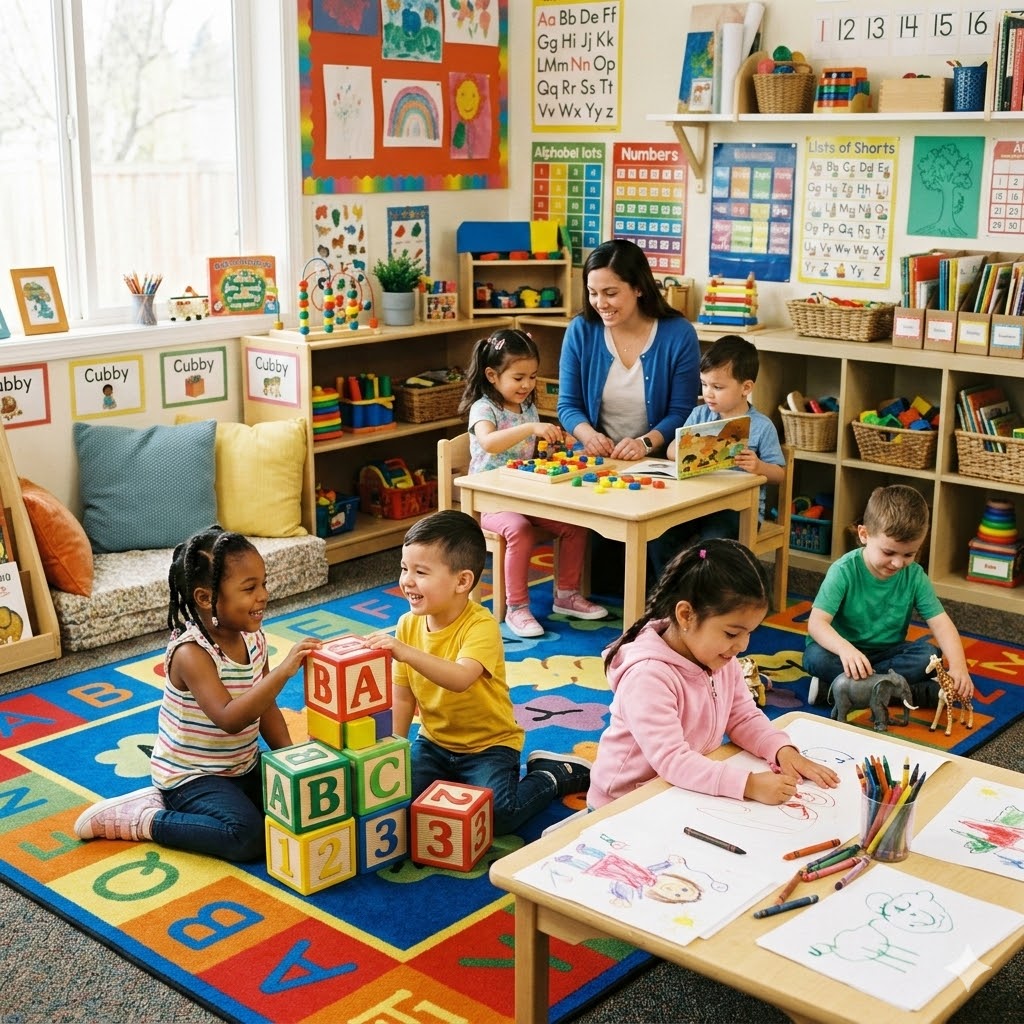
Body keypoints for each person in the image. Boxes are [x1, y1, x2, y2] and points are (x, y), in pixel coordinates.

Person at [74, 525, 321, 861]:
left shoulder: (255, 638)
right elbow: (229, 719)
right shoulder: (191, 653)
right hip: (191, 775)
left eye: (263, 583)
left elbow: (266, 709)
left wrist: (293, 763)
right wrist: (283, 672)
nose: (262, 595)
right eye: (249, 588)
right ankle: (148, 818)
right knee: (249, 839)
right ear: (205, 598)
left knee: (308, 804)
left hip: (241, 766)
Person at [361, 509, 591, 835]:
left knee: (497, 816)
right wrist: (397, 748)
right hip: (434, 744)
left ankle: (553, 774)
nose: (407, 581)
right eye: (404, 568)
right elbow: (403, 693)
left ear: (463, 581)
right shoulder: (407, 624)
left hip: (489, 747)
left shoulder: (480, 625)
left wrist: (405, 652)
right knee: (396, 804)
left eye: (421, 572)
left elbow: (459, 678)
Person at [588, 539, 840, 811]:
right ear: (686, 615)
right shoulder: (648, 676)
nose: (743, 645)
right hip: (623, 804)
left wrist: (781, 750)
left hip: (676, 790)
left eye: (749, 633)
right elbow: (673, 760)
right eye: (732, 633)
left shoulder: (719, 657)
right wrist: (749, 785)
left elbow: (742, 716)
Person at [460, 327, 607, 637]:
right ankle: (517, 607)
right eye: (518, 378)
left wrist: (552, 444)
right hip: (491, 500)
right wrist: (531, 430)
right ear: (491, 375)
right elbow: (489, 443)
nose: (527, 384)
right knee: (519, 530)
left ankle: (566, 595)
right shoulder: (484, 408)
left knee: (575, 525)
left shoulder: (526, 406)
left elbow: (529, 452)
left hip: (527, 494)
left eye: (532, 376)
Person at [805, 484, 973, 711]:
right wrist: (846, 649)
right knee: (815, 657)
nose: (897, 563)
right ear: (864, 534)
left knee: (929, 655)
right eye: (888, 552)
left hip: (888, 655)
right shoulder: (844, 570)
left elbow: (941, 624)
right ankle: (910, 692)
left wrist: (959, 666)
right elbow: (816, 624)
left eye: (909, 554)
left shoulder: (914, 576)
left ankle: (845, 690)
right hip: (840, 653)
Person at [651, 334, 785, 574]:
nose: (708, 393)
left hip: (739, 512)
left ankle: (709, 600)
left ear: (746, 388)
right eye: (704, 384)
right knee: (658, 537)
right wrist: (680, 450)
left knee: (710, 547)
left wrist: (758, 467)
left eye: (718, 387)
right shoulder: (699, 415)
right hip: (696, 504)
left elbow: (779, 474)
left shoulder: (762, 426)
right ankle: (668, 596)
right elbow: (671, 450)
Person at [557, 238, 700, 462]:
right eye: (593, 293)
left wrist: (644, 444)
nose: (600, 303)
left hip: (658, 461)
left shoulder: (679, 334)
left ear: (639, 288)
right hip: (595, 458)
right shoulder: (581, 330)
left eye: (610, 293)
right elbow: (568, 404)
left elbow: (682, 411)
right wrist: (590, 437)